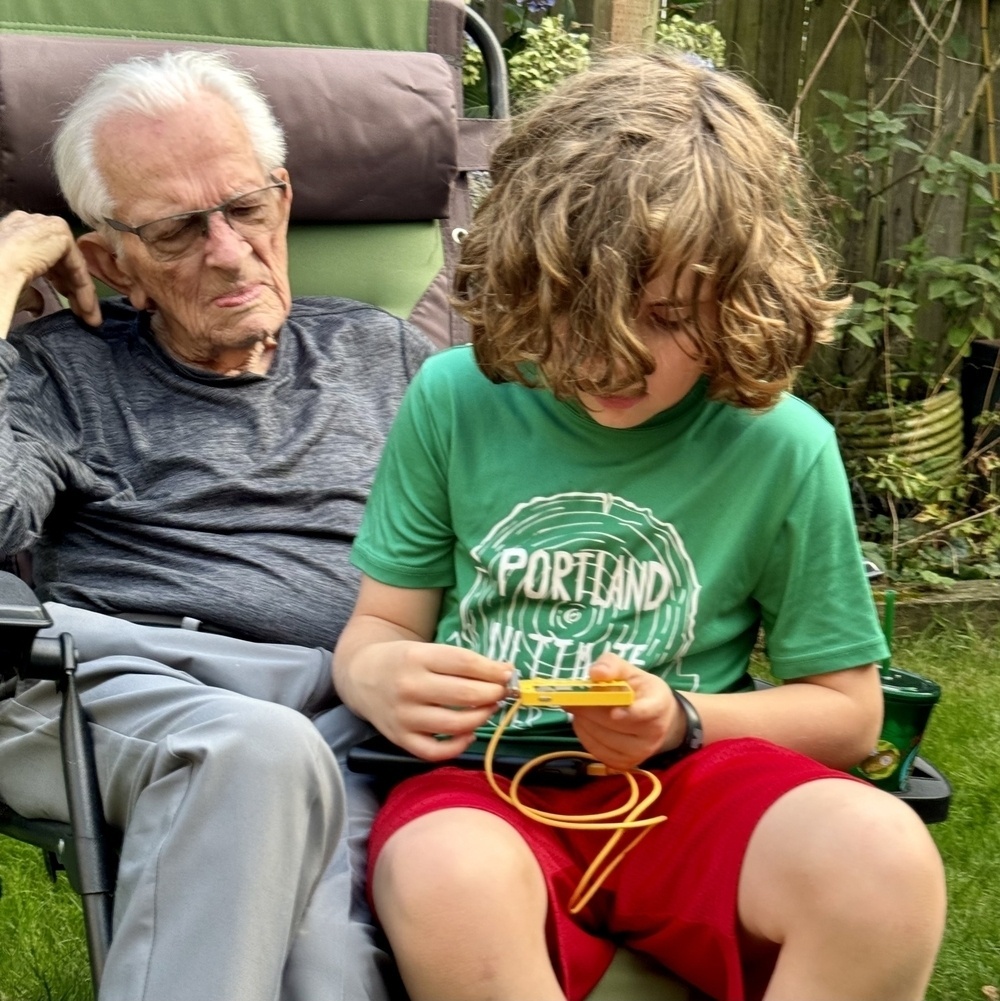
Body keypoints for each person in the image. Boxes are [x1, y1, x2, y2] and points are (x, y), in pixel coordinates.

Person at [332, 50, 948, 1001]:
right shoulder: (456, 400)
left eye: (665, 317)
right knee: (443, 876)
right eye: (572, 311)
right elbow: (379, 627)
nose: (612, 360)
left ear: (742, 293)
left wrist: (680, 718)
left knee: (884, 858)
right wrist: (378, 673)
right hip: (490, 787)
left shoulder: (782, 445)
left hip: (691, 786)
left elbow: (849, 711)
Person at [0, 49, 434, 1001]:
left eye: (245, 207)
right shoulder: (59, 372)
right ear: (113, 263)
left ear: (285, 197)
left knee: (336, 968)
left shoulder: (385, 352)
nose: (229, 250)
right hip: (120, 681)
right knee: (255, 750)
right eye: (178, 230)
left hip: (347, 713)